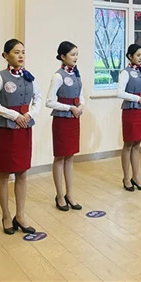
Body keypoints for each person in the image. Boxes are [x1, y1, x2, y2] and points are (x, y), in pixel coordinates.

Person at [0, 39, 40, 234]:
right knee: (4, 173)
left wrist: (29, 115)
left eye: (23, 52)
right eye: (16, 52)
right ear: (5, 55)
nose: (21, 55)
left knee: (22, 172)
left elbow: (38, 99)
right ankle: (6, 215)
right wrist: (14, 115)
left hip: (25, 128)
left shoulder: (29, 76)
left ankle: (20, 215)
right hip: (7, 130)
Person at [46, 41, 84, 211]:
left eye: (77, 54)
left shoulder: (76, 74)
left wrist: (81, 106)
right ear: (63, 56)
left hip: (74, 118)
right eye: (72, 54)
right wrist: (69, 108)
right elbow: (49, 101)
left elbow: (81, 95)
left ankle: (70, 194)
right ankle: (60, 195)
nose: (76, 57)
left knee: (70, 156)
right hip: (62, 119)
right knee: (60, 157)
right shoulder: (58, 76)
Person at [117, 44, 141, 191]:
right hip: (130, 110)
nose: (140, 58)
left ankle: (136, 177)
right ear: (130, 56)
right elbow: (120, 92)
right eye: (138, 55)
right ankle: (126, 177)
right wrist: (137, 98)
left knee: (137, 144)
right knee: (128, 144)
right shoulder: (125, 73)